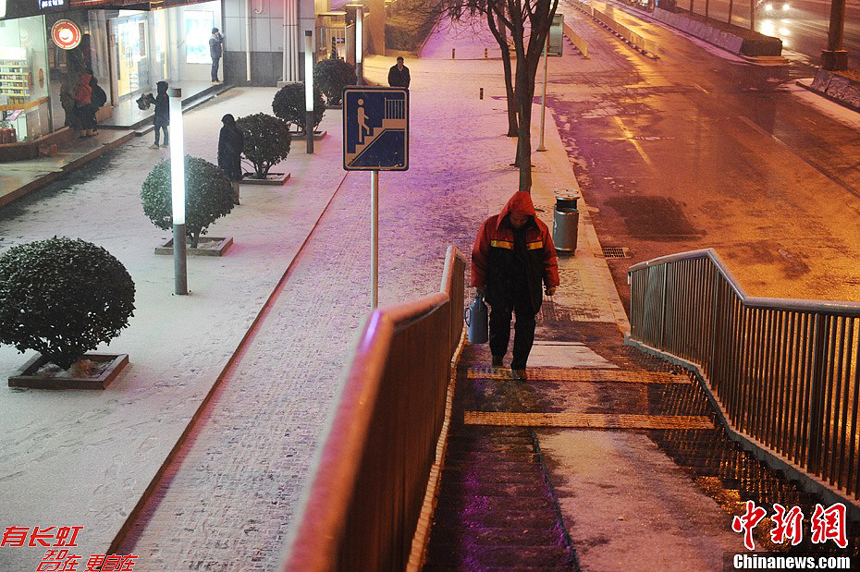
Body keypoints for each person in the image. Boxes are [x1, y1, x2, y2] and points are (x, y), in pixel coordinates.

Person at [471, 191, 560, 381]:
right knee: (499, 321)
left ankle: (519, 365)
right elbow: (479, 256)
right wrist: (478, 282)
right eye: (516, 218)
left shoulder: (540, 230)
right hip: (500, 286)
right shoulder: (491, 226)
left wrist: (551, 282)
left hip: (528, 288)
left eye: (522, 219)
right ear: (508, 213)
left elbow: (549, 258)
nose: (519, 222)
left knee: (526, 326)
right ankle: (498, 354)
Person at [218, 114, 244, 205]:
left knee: (226, 177)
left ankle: (228, 198)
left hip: (226, 158)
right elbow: (242, 144)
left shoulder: (224, 131)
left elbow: (221, 145)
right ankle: (235, 197)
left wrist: (220, 157)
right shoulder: (238, 131)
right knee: (235, 178)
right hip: (235, 158)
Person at [73, 71, 94, 137]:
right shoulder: (88, 87)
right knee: (89, 119)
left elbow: (78, 98)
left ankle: (83, 133)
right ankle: (90, 132)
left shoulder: (81, 88)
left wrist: (72, 96)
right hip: (89, 105)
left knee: (83, 120)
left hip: (83, 106)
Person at [150, 81, 169, 149]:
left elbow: (158, 103)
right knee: (165, 129)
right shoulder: (166, 95)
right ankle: (166, 142)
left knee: (157, 129)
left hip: (159, 115)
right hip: (165, 116)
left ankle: (156, 143)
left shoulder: (161, 96)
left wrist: (152, 99)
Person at [88, 72, 107, 136]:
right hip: (93, 105)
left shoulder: (90, 89)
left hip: (90, 105)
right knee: (92, 117)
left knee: (89, 117)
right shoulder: (97, 88)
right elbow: (103, 97)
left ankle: (91, 130)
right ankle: (93, 130)